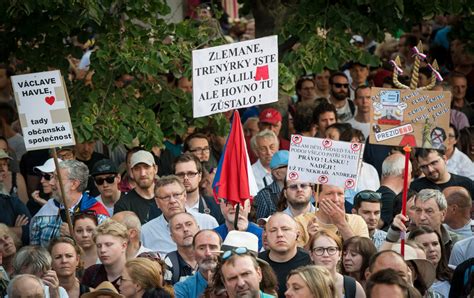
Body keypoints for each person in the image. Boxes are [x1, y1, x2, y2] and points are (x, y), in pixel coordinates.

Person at [30, 159, 109, 247]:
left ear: (74, 184)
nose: (51, 183)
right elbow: (35, 253)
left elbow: (104, 252)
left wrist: (74, 236)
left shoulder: (99, 216)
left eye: (56, 178)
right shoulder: (43, 214)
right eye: (52, 177)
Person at [141, 175, 218, 257]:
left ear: (185, 196)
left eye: (176, 195)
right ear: (157, 202)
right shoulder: (145, 232)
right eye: (166, 197)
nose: (172, 201)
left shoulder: (208, 222)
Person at [386, 189, 462, 262]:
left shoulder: (458, 244)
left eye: (429, 211)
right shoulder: (403, 242)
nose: (422, 217)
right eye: (418, 210)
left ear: (443, 214)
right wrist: (393, 233)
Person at [295, 183, 369, 247]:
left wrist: (342, 224)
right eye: (329, 193)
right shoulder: (300, 221)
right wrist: (311, 239)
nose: (336, 199)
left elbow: (363, 255)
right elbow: (297, 260)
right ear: (316, 195)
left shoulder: (358, 221)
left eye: (340, 194)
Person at [258, 212, 311, 297]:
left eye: (285, 229)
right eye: (273, 230)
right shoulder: (257, 263)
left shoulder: (310, 262)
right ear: (266, 236)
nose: (279, 234)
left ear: (297, 234)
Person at [309, 229, 365, 298]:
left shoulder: (352, 287)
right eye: (319, 250)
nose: (326, 255)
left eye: (331, 249)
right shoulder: (301, 284)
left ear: (339, 254)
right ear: (311, 255)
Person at [173, 153, 223, 223]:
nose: (186, 178)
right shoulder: (164, 207)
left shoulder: (216, 207)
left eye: (191, 173)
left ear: (200, 176)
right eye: (180, 174)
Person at [82, 219, 128, 290]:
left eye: (108, 245)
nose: (102, 250)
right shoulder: (91, 273)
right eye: (99, 246)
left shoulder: (135, 276)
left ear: (123, 246)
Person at [114, 150, 158, 224]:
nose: (142, 173)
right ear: (132, 172)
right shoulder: (123, 205)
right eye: (137, 168)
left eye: (146, 167)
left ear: (155, 169)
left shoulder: (167, 198)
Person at [174, 229, 222, 298]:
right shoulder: (182, 289)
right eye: (201, 248)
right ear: (193, 253)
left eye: (213, 247)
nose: (208, 253)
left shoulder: (235, 280)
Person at [408, 226, 453, 297]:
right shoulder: (407, 280)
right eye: (424, 245)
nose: (432, 249)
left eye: (435, 244)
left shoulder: (455, 273)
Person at [376, 153, 412, 230]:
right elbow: (374, 230)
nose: (411, 178)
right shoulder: (389, 199)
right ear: (404, 173)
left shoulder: (381, 194)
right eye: (410, 173)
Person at [164, 212, 200, 284]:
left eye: (189, 224)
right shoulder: (169, 263)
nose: (185, 229)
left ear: (198, 229)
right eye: (178, 227)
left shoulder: (210, 256)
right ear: (172, 237)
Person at [254, 150, 288, 219]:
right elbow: (259, 225)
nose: (296, 170)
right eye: (291, 167)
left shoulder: (301, 191)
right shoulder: (264, 196)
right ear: (277, 174)